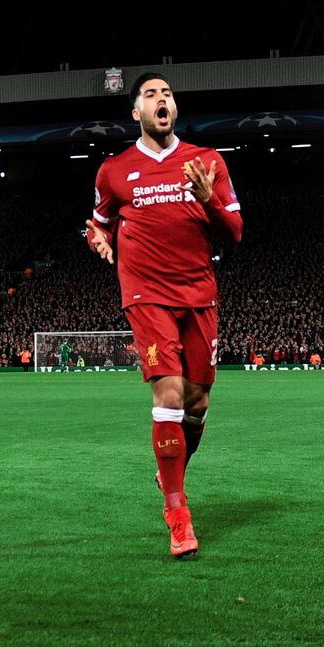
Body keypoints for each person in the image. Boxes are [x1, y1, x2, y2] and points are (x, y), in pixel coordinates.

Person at [86, 72, 244, 558]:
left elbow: (234, 231)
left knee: (196, 404)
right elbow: (99, 220)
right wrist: (96, 237)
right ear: (135, 111)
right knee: (169, 393)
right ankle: (178, 514)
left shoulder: (207, 161)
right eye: (152, 95)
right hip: (146, 294)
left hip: (199, 293)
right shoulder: (113, 170)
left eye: (168, 94)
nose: (162, 100)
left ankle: (169, 470)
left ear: (175, 109)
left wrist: (207, 200)